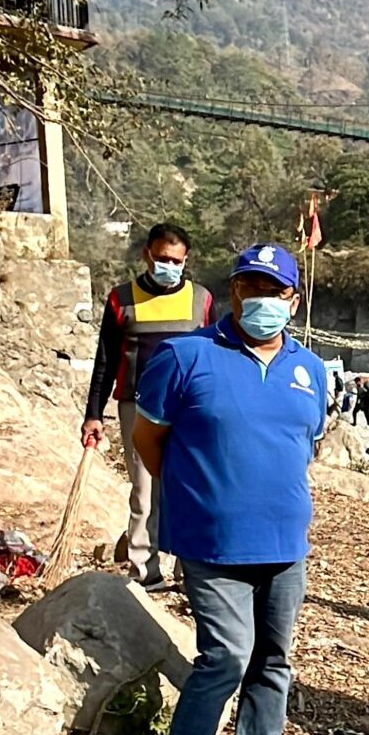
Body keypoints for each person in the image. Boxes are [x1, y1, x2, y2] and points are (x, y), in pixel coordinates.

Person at [131, 243, 328, 735]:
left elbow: (308, 441)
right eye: (248, 287)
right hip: (211, 541)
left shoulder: (310, 369)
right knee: (226, 658)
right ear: (233, 292)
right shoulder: (183, 356)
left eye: (271, 290)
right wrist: (199, 495)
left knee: (275, 660)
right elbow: (147, 440)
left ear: (292, 299)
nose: (258, 300)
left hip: (285, 541)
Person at [82, 222, 213, 589]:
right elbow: (105, 361)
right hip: (137, 407)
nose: (167, 265)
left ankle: (191, 572)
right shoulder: (120, 299)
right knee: (143, 490)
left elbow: (216, 360)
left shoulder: (201, 301)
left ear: (186, 260)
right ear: (147, 255)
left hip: (189, 410)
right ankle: (145, 571)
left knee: (191, 487)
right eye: (161, 258)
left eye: (175, 260)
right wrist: (94, 414)